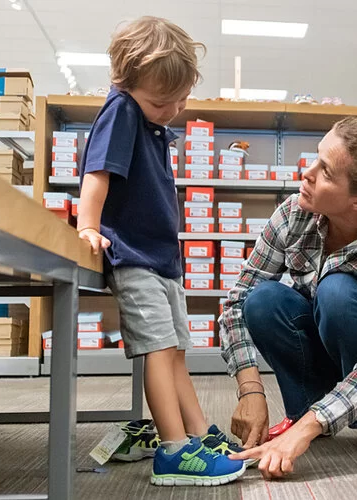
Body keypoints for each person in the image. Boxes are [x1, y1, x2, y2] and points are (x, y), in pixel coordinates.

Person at [219, 117, 357, 479]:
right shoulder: (294, 213)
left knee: (337, 291)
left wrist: (306, 431)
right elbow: (236, 302)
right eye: (315, 158)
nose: (307, 173)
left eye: (325, 171)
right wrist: (250, 391)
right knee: (262, 301)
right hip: (330, 344)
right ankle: (308, 409)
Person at [77, 16, 246, 487]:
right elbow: (97, 174)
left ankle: (199, 435)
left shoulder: (149, 119)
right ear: (124, 83)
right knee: (158, 348)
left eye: (181, 99)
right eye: (161, 101)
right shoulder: (122, 110)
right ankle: (173, 451)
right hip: (132, 256)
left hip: (161, 259)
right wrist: (88, 225)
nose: (173, 109)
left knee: (175, 352)